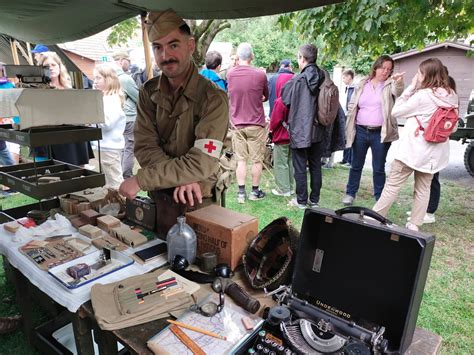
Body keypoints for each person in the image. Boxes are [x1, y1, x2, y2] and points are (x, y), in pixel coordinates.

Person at [119, 9, 228, 211]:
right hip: (161, 197)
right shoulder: (148, 92)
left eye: (173, 45)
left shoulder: (213, 98)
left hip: (199, 199)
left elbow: (201, 162)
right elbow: (145, 147)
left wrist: (142, 179)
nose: (165, 55)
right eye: (157, 47)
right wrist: (181, 177)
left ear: (191, 45)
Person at [373, 58, 458, 231]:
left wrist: (410, 88)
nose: (417, 76)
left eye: (419, 73)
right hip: (434, 154)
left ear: (427, 75)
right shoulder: (452, 96)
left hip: (411, 152)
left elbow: (396, 111)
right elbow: (453, 127)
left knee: (392, 186)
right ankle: (414, 224)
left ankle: (374, 218)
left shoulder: (423, 96)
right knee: (423, 189)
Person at [342, 55, 405, 206]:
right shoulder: (363, 83)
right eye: (383, 68)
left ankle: (380, 197)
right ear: (376, 67)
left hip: (380, 133)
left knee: (378, 167)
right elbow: (353, 103)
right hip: (361, 130)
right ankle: (350, 193)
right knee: (356, 164)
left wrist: (399, 81)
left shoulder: (390, 84)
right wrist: (350, 116)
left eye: (389, 69)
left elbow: (399, 92)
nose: (386, 71)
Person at [280, 44, 327, 209]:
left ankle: (301, 201)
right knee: (315, 165)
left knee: (299, 165)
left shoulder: (299, 79)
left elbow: (285, 98)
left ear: (302, 58)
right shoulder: (325, 76)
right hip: (319, 129)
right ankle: (314, 200)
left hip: (301, 129)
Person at [34, 52, 93, 166]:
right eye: (46, 66)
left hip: (74, 140)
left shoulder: (70, 89)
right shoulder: (37, 92)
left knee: (76, 174)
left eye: (53, 64)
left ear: (60, 67)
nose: (51, 68)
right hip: (50, 140)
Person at [227, 42, 269, 203]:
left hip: (237, 124)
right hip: (255, 123)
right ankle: (254, 192)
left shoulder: (230, 74)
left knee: (241, 160)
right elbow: (265, 96)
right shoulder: (260, 74)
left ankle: (240, 194)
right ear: (252, 56)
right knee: (257, 160)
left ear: (238, 57)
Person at [92, 64, 126, 189]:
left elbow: (106, 124)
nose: (95, 82)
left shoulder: (111, 100)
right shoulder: (104, 98)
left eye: (98, 78)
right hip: (104, 147)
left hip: (109, 148)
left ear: (109, 79)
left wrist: (90, 119)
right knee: (107, 182)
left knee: (114, 183)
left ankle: (123, 205)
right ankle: (114, 205)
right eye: (94, 78)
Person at [112, 51, 139, 180]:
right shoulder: (125, 79)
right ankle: (126, 174)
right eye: (128, 61)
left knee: (121, 148)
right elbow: (139, 98)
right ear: (122, 61)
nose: (130, 64)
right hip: (128, 117)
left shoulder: (109, 77)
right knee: (129, 147)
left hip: (115, 117)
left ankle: (119, 173)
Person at [269, 70, 295, 197]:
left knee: (280, 163)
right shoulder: (297, 100)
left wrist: (270, 129)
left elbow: (274, 121)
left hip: (281, 136)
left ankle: (283, 189)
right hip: (293, 137)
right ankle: (290, 187)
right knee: (290, 162)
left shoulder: (280, 101)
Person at [339, 69, 356, 167]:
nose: (343, 79)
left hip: (351, 116)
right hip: (345, 115)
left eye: (344, 77)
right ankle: (345, 159)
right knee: (345, 137)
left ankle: (350, 160)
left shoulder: (354, 88)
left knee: (350, 137)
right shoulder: (347, 88)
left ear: (349, 77)